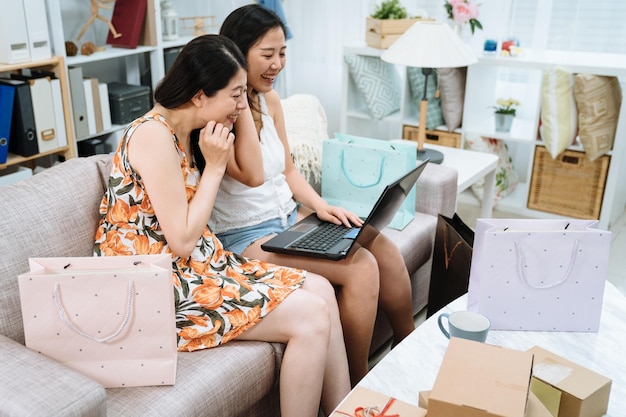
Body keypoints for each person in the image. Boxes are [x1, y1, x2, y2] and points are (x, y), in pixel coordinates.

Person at [93, 34, 350, 417]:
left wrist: (223, 135)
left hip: (199, 265)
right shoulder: (151, 135)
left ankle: (347, 411)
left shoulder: (189, 130)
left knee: (322, 289)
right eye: (235, 95)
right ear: (199, 95)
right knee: (311, 316)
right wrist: (214, 167)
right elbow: (179, 241)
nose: (242, 105)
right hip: (157, 284)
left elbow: (255, 173)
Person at [215, 4, 415, 385]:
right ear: (237, 55)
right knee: (360, 267)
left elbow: (288, 170)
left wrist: (322, 206)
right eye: (268, 55)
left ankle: (408, 351)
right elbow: (255, 175)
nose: (277, 64)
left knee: (380, 246)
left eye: (283, 53)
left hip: (287, 220)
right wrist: (239, 94)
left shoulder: (270, 102)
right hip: (245, 238)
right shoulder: (223, 110)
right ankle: (360, 380)